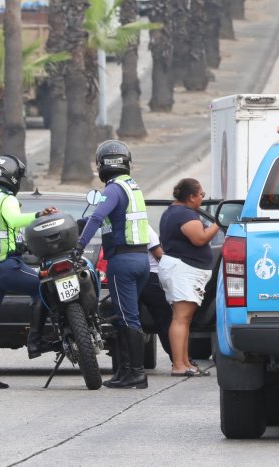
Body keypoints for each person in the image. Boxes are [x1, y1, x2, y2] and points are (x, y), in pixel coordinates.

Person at [0, 155, 58, 389]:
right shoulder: (4, 199)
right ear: (11, 178)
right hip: (3, 266)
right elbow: (15, 219)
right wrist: (40, 215)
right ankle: (35, 341)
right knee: (44, 285)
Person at [76, 140, 155, 389]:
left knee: (128, 317)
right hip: (141, 259)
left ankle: (136, 373)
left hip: (123, 261)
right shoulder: (132, 187)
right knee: (123, 316)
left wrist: (79, 246)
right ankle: (123, 371)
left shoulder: (112, 190)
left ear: (101, 165)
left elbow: (98, 217)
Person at [158, 178, 219, 377]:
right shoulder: (184, 214)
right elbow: (199, 238)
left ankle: (186, 362)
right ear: (191, 196)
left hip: (180, 269)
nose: (202, 198)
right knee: (181, 318)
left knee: (184, 319)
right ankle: (178, 365)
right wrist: (218, 224)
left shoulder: (173, 211)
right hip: (183, 270)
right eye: (201, 194)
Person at [140, 235, 174, 363]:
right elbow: (158, 255)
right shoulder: (145, 228)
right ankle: (178, 359)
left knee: (130, 322)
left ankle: (131, 365)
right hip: (152, 276)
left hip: (132, 275)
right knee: (166, 320)